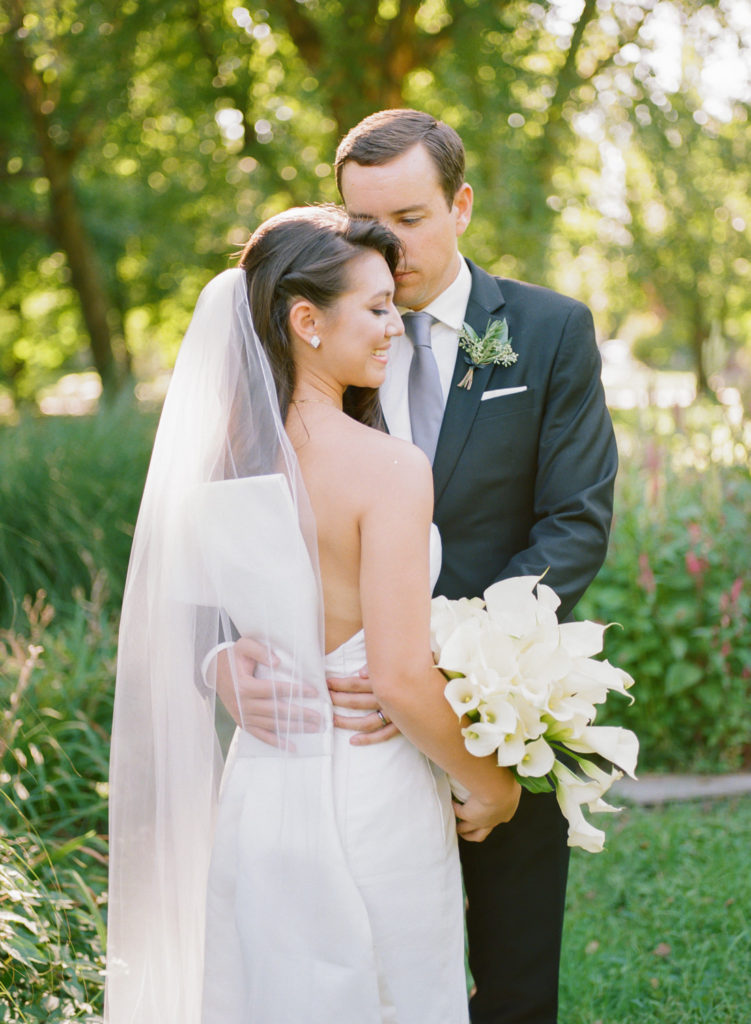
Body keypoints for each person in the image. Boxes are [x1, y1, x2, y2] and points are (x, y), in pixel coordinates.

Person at [105, 205, 519, 1024]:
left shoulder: (217, 461)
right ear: (305, 320)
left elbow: (188, 621)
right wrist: (490, 786)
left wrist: (221, 663)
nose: (393, 327)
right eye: (374, 308)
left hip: (259, 792)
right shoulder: (387, 470)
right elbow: (399, 677)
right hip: (371, 792)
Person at [326, 110, 619, 1024]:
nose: (388, 247)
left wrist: (466, 670)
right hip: (357, 714)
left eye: (409, 218)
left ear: (459, 205)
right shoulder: (318, 339)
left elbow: (571, 523)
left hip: (504, 701)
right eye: (364, 227)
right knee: (370, 964)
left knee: (515, 972)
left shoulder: (547, 330)